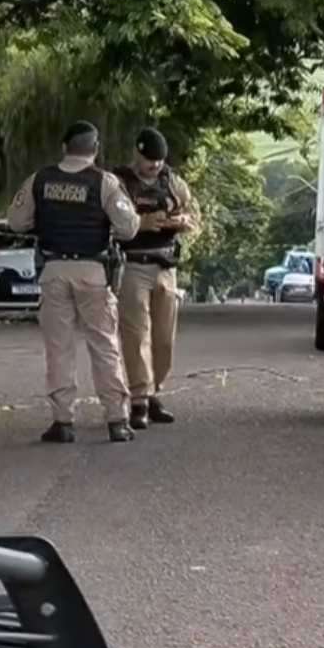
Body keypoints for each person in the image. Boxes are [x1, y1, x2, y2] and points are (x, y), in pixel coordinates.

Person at [6, 121, 142, 443]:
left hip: (53, 270)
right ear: (95, 150)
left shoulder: (40, 180)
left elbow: (16, 221)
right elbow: (129, 228)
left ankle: (63, 421)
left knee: (59, 348)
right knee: (104, 345)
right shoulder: (104, 182)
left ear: (64, 147)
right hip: (93, 272)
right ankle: (117, 419)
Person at [112, 127, 201, 429]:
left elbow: (194, 216)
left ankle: (154, 392)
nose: (155, 166)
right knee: (136, 336)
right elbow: (110, 223)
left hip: (166, 267)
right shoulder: (119, 182)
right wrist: (143, 223)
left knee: (164, 340)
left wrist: (182, 222)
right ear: (137, 154)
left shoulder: (172, 182)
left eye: (160, 160)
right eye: (150, 160)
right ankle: (139, 400)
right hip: (133, 265)